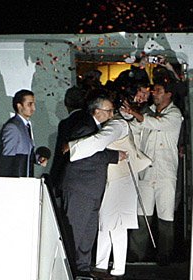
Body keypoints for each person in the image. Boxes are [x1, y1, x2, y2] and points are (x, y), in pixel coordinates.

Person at [68, 111, 151, 279]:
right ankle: (102, 264)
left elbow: (100, 141)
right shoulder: (116, 124)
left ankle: (117, 267)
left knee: (117, 224)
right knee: (106, 223)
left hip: (121, 180)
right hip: (114, 179)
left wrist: (73, 147)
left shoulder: (116, 125)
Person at [61, 94, 126, 278]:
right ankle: (70, 268)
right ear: (97, 111)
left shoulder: (95, 129)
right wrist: (114, 156)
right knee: (76, 230)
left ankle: (82, 268)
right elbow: (87, 153)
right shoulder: (85, 128)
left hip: (91, 189)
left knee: (87, 232)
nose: (112, 115)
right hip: (80, 188)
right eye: (109, 111)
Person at [121, 80, 183, 265]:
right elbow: (137, 127)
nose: (154, 94)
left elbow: (156, 124)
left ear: (168, 94)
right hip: (146, 172)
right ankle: (136, 254)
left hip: (165, 173)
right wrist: (128, 116)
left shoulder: (174, 114)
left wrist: (134, 113)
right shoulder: (147, 112)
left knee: (166, 216)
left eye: (158, 91)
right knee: (142, 215)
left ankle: (165, 255)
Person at [0, 89, 48, 177]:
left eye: (33, 104)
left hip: (26, 181)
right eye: (29, 104)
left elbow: (25, 152)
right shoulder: (13, 127)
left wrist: (38, 159)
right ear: (19, 106)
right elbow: (7, 160)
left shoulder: (26, 126)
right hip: (16, 183)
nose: (33, 108)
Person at [49, 86, 86, 198]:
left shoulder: (66, 124)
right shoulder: (90, 120)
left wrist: (54, 179)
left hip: (70, 177)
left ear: (66, 103)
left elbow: (60, 154)